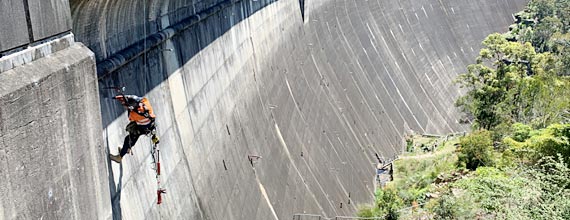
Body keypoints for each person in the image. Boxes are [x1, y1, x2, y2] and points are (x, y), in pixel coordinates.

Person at [110, 94, 159, 163]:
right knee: (132, 138)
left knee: (128, 139)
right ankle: (127, 149)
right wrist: (127, 97)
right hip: (150, 126)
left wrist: (129, 109)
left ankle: (119, 157)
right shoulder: (145, 103)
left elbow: (130, 118)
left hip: (142, 128)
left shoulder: (134, 114)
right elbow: (138, 98)